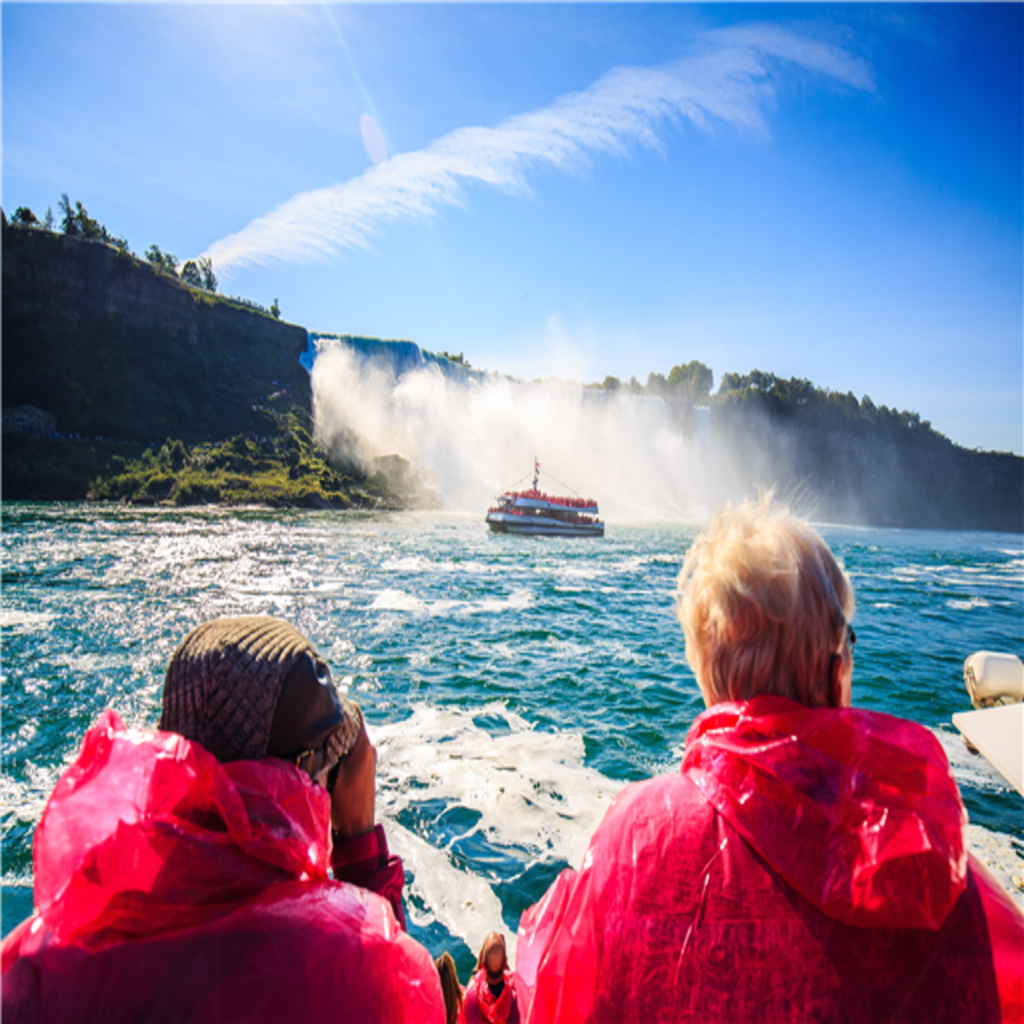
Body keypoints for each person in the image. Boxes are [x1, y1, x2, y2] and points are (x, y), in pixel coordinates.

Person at [516, 499, 1024, 1023]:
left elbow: (554, 994)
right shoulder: (925, 861)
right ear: (833, 673)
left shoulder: (630, 836)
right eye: (847, 643)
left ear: (709, 678)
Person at [0, 616, 445, 1022]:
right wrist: (361, 853)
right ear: (304, 775)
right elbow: (403, 1003)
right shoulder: (359, 968)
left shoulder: (33, 959)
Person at [463, 932, 521, 1024]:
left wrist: (477, 967)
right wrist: (504, 965)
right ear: (505, 961)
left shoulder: (471, 999)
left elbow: (468, 994)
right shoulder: (519, 998)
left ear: (483, 965)